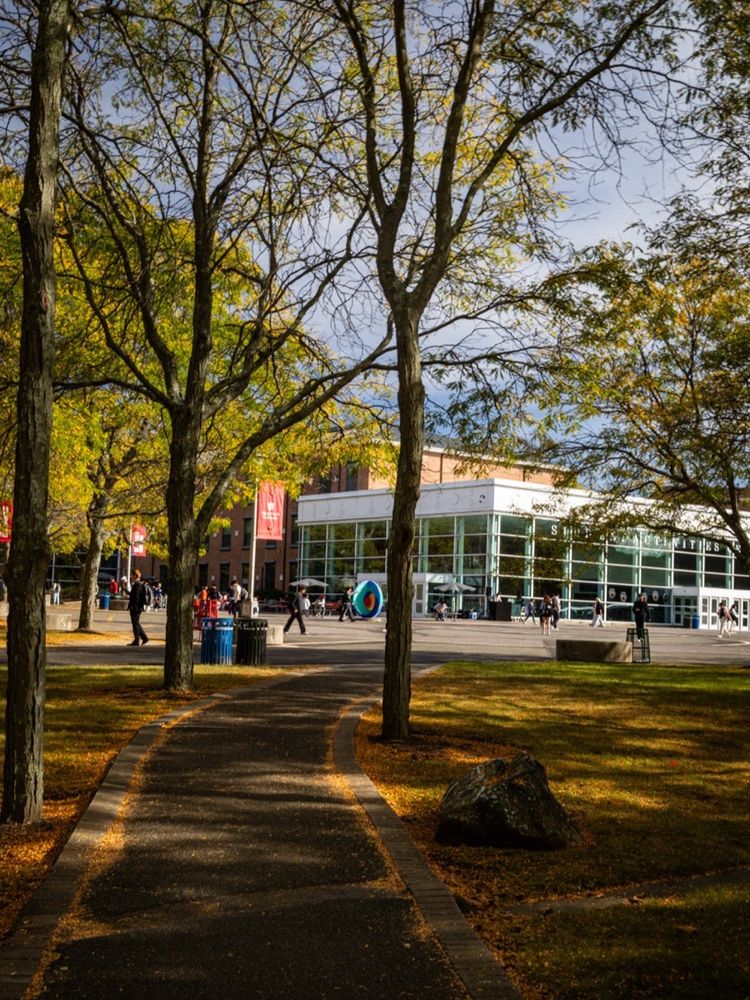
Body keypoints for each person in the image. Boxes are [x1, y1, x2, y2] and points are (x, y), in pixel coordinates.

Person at [127, 570, 149, 646]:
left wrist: (133, 606)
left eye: (132, 575)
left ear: (135, 576)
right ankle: (142, 638)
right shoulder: (138, 584)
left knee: (135, 623)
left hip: (136, 608)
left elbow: (136, 597)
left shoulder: (137, 585)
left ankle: (138, 639)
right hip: (137, 607)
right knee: (136, 623)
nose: (131, 577)